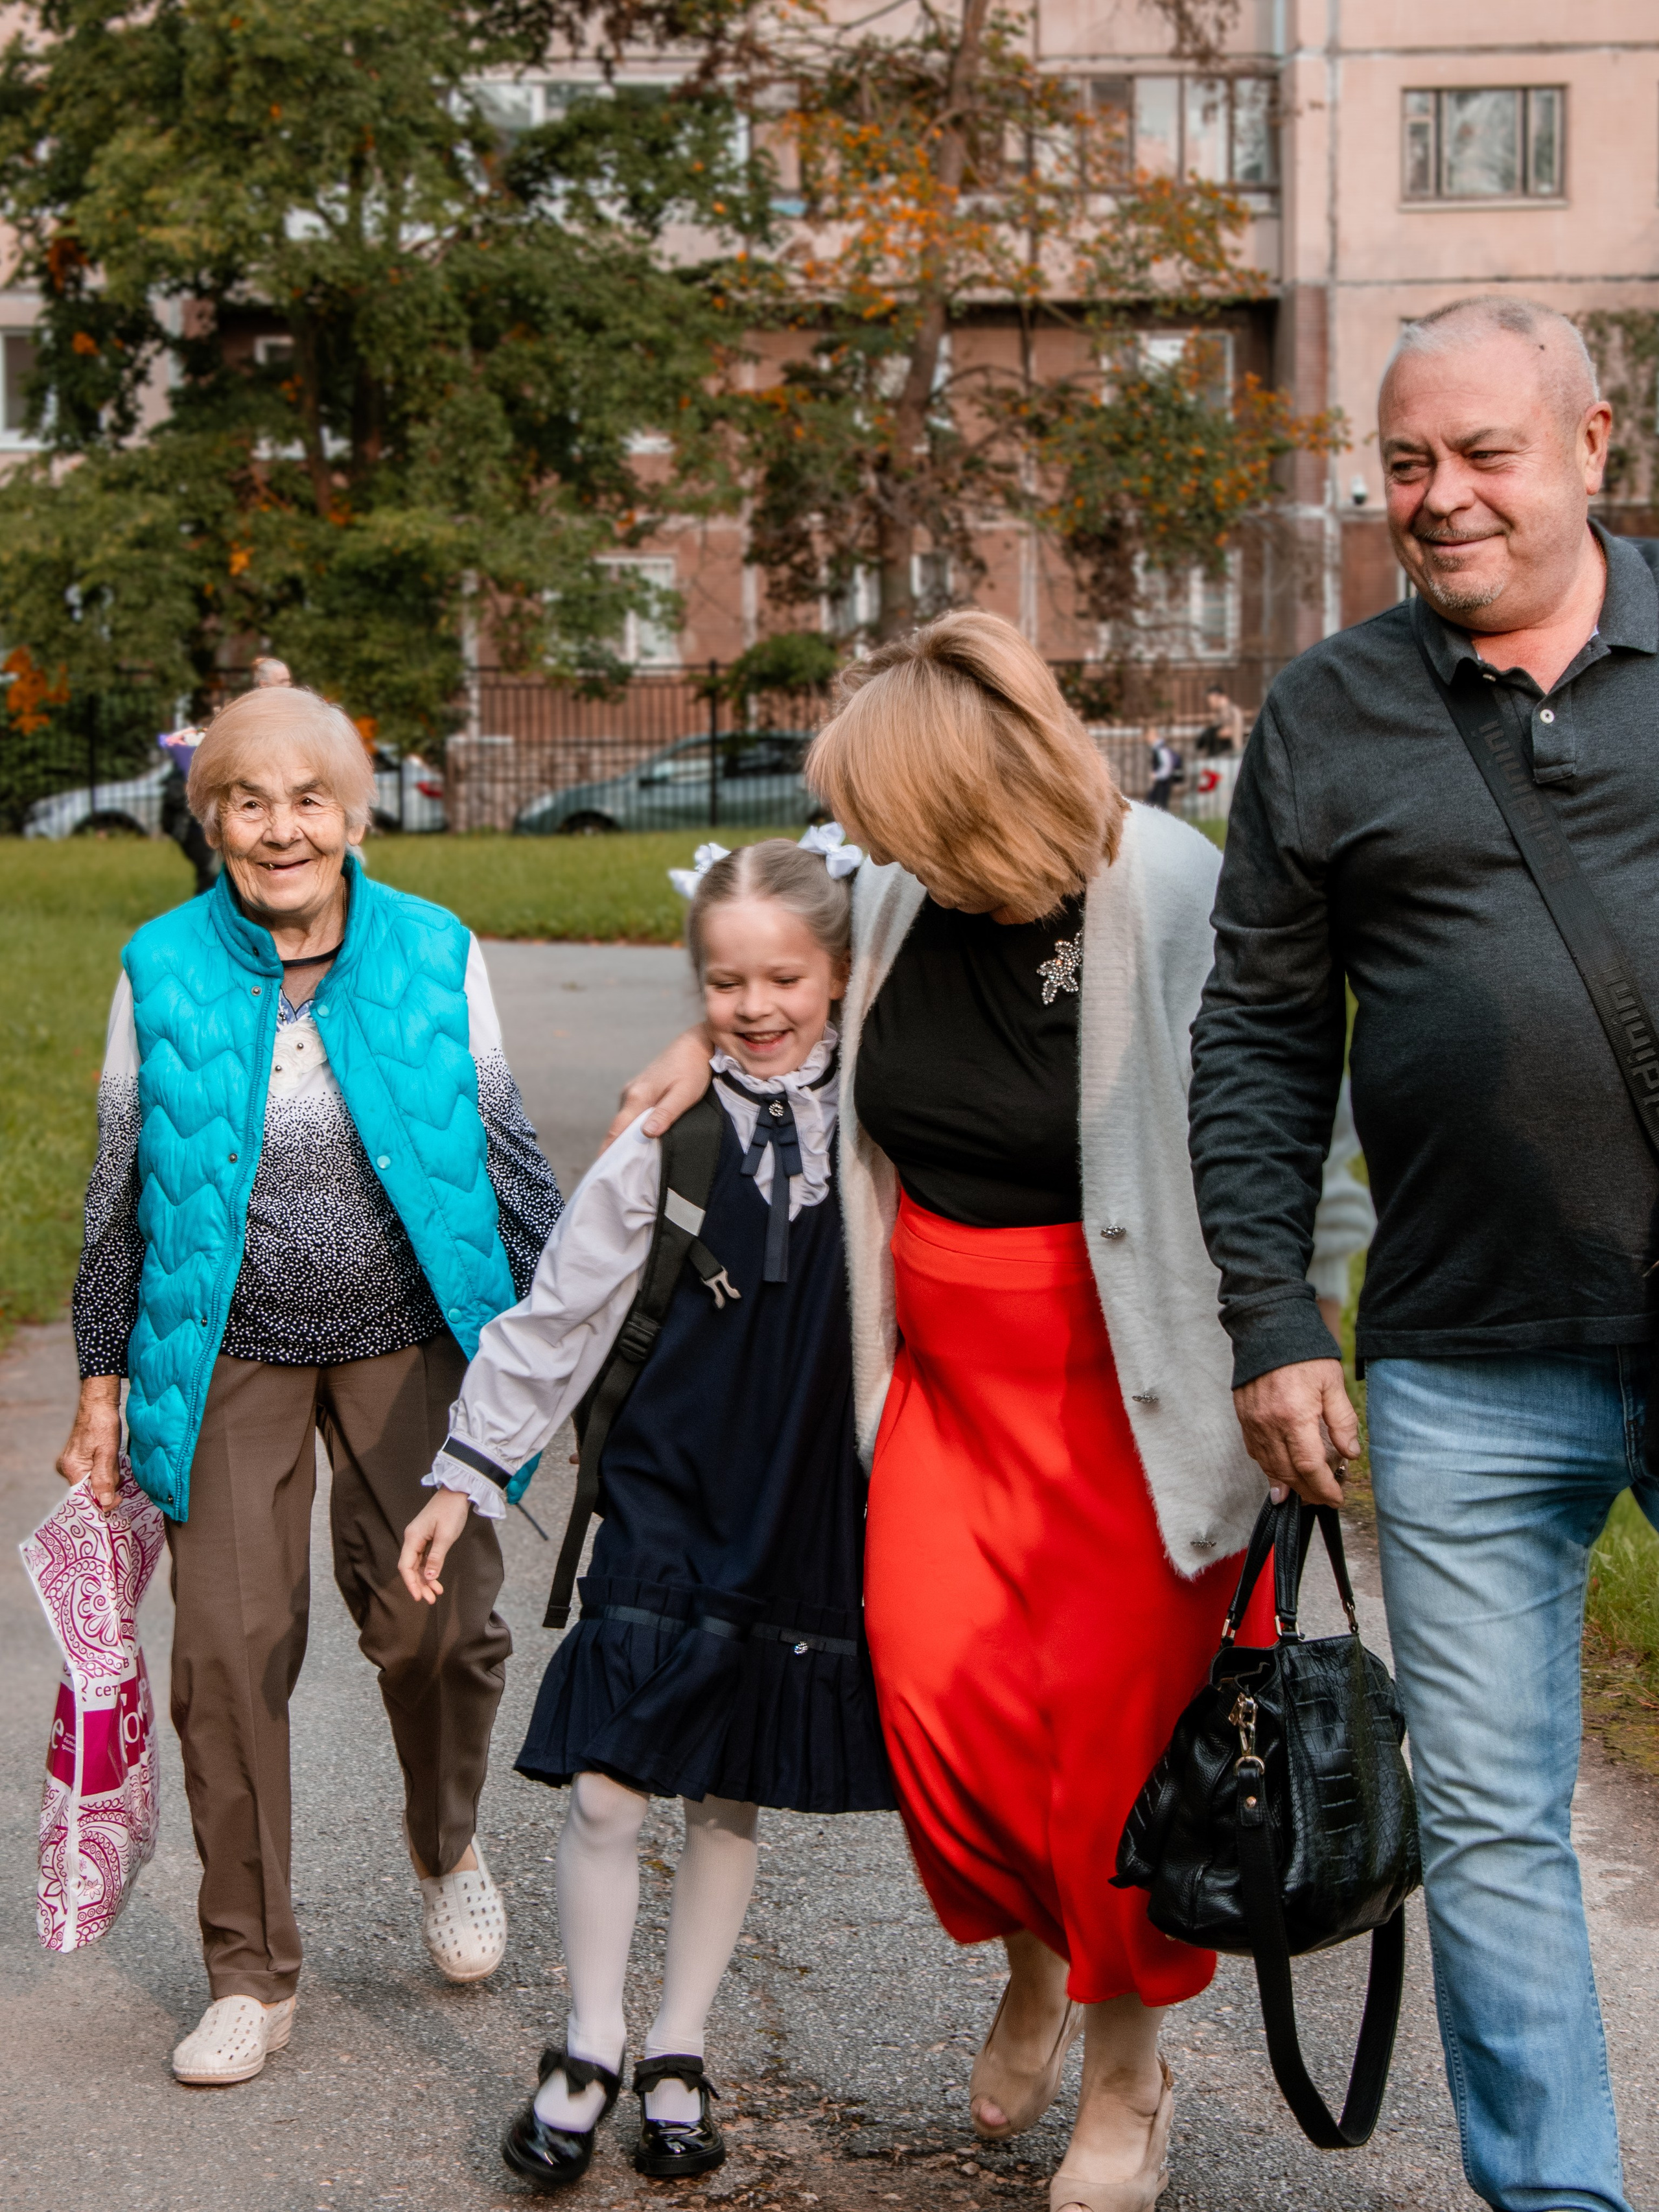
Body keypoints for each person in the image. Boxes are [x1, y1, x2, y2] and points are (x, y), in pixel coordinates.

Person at [608, 612, 1329, 2212]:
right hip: (939, 1379)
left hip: (1119, 1385)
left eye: (884, 815)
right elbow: (777, 964)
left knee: (1115, 1756)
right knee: (935, 1707)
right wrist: (692, 1039)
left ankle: (1126, 2070)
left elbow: (1282, 1107)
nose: (858, 842)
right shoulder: (890, 890)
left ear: (967, 802)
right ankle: (1033, 1952)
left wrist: (1300, 1345)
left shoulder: (1160, 885)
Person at [1187, 295, 1654, 2212]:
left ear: (1592, 449)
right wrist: (1272, 1308)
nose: (1436, 497)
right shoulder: (1327, 708)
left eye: (1482, 453)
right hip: (1458, 1354)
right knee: (1483, 1821)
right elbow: (1260, 1035)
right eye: (1403, 463)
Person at [55, 682, 562, 2086]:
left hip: (409, 1333)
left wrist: (552, 1360)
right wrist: (101, 1382)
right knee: (226, 1652)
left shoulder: (434, 948)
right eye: (248, 799)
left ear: (355, 810)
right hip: (222, 1344)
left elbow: (510, 1160)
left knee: (438, 1626)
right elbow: (117, 1198)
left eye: (309, 798)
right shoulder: (158, 964)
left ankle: (445, 1839)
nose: (281, 828)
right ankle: (248, 1964)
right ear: (209, 814)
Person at [398, 833, 893, 2193]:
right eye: (723, 980)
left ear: (840, 973)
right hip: (671, 1486)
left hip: (808, 1495)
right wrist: (464, 1470)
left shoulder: (885, 1121)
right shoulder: (661, 1142)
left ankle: (680, 2044)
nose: (754, 1004)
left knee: (729, 1780)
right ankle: (590, 2039)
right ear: (696, 985)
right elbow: (554, 1320)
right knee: (613, 1778)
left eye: (783, 975)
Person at [1193, 686, 1244, 756]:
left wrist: (1211, 734)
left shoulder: (1227, 709)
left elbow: (1228, 732)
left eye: (1209, 700)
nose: (1209, 704)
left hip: (1230, 755)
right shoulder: (1224, 710)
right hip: (1228, 755)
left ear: (1216, 697)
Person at [1144, 725, 1180, 811]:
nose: (1147, 739)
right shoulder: (1157, 748)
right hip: (1161, 781)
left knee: (1157, 804)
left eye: (1148, 736)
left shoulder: (1160, 748)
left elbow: (1167, 765)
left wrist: (1157, 775)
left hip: (1163, 782)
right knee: (1155, 804)